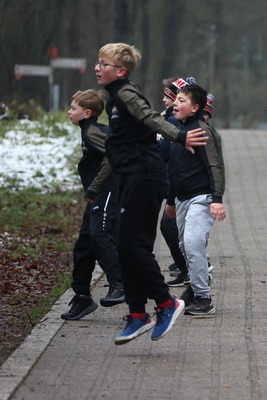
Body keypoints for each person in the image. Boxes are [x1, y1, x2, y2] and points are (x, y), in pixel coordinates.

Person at [95, 42, 207, 345]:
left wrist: (179, 134)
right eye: (98, 62)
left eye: (103, 64)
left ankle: (166, 303)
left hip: (145, 177)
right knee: (123, 247)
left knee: (133, 247)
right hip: (131, 177)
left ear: (120, 70)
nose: (97, 68)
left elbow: (152, 118)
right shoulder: (113, 98)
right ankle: (137, 314)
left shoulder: (127, 94)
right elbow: (119, 144)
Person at [61, 89, 125, 320]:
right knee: (83, 246)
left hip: (108, 191)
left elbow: (113, 156)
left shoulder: (92, 132)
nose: (69, 112)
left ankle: (119, 283)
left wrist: (95, 186)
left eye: (74, 108)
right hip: (97, 194)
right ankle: (82, 297)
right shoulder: (89, 130)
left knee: (99, 233)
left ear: (87, 113)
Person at [165, 80, 226, 316]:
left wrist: (217, 198)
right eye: (176, 100)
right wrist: (171, 200)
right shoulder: (178, 132)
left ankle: (203, 298)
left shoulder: (201, 131)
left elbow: (214, 166)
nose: (175, 104)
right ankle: (197, 284)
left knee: (192, 244)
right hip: (181, 199)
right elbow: (174, 169)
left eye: (181, 101)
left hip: (202, 197)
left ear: (195, 108)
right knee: (184, 246)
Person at [157, 77, 189, 285]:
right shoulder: (169, 119)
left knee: (171, 225)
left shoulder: (173, 122)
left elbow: (165, 151)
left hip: (174, 181)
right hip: (172, 179)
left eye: (169, 97)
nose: (165, 100)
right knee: (170, 225)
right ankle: (185, 267)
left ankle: (188, 267)